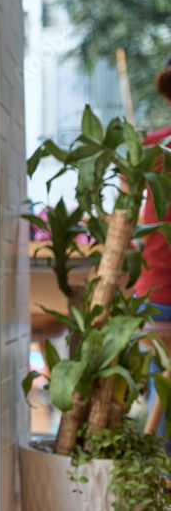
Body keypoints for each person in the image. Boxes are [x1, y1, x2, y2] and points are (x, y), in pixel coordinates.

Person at [135, 53, 171, 443]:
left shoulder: (151, 147)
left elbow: (125, 223)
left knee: (162, 409)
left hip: (153, 293)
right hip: (160, 295)